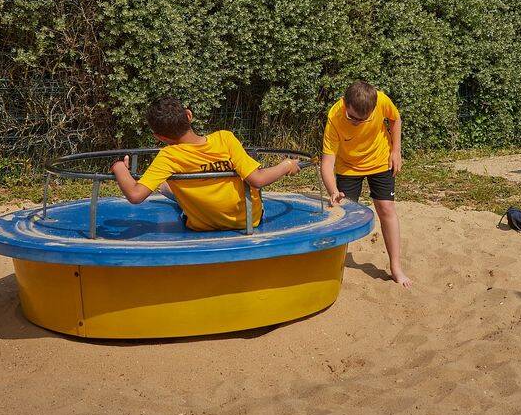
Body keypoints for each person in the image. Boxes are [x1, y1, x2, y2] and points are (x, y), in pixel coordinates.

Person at [110, 96, 299, 232]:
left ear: (159, 137)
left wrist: (119, 167)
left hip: (201, 226)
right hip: (248, 221)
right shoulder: (225, 139)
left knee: (170, 186)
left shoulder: (168, 156)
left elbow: (135, 195)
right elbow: (257, 179)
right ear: (189, 115)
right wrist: (287, 164)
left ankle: (165, 188)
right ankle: (166, 188)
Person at [321, 80, 411, 287]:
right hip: (348, 166)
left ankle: (396, 267)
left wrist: (396, 150)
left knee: (386, 208)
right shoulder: (334, 116)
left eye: (363, 120)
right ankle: (335, 266)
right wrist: (333, 190)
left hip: (380, 160)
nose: (356, 123)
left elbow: (395, 118)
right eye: (352, 118)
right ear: (345, 103)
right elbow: (327, 162)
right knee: (341, 213)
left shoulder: (381, 100)